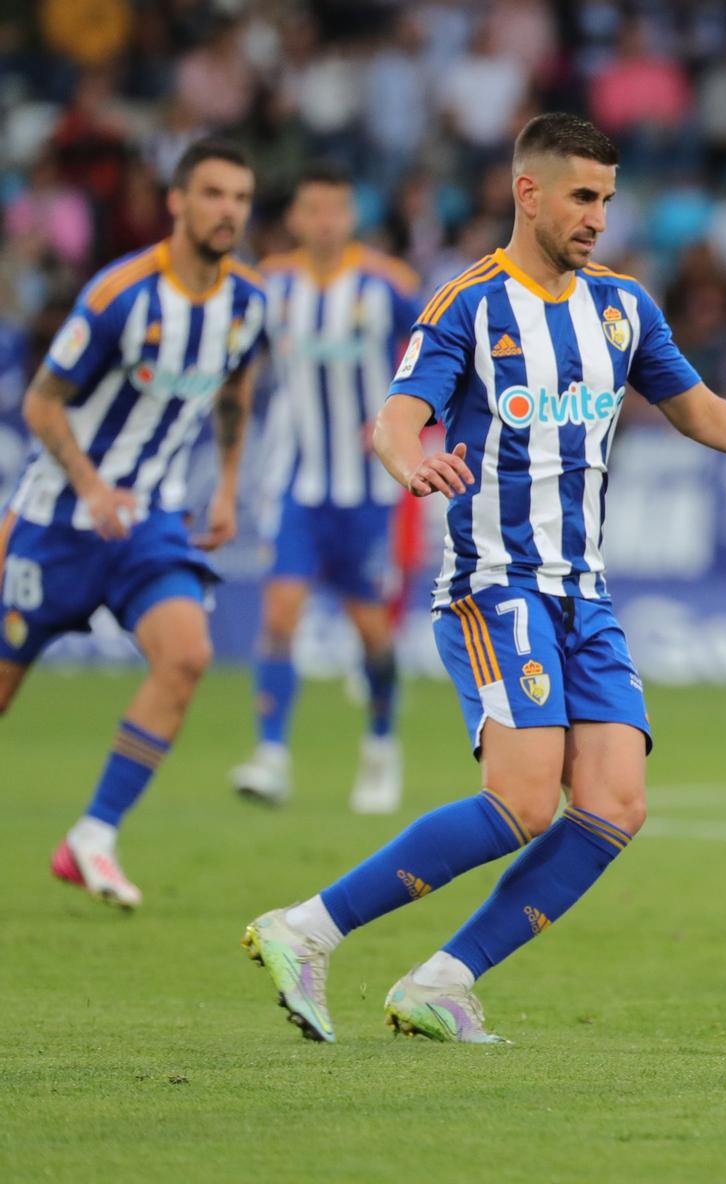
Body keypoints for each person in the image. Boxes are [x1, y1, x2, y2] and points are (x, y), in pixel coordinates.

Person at [242, 114, 726, 1045]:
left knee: (614, 805)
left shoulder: (625, 307)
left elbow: (702, 412)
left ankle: (442, 980)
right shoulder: (467, 303)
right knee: (523, 800)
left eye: (607, 195)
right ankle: (305, 928)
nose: (599, 215)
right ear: (529, 192)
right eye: (582, 196)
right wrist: (409, 462)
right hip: (493, 583)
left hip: (583, 594)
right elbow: (397, 418)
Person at [1, 138, 266, 909]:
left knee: (186, 654)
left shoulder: (247, 302)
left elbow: (235, 386)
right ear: (178, 203)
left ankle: (92, 837)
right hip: (58, 520)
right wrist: (90, 484)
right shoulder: (121, 295)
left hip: (149, 519)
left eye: (241, 199)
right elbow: (41, 403)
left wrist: (224, 488)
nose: (229, 212)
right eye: (214, 195)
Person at [231, 163, 422, 814]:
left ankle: (379, 746)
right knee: (279, 616)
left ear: (350, 215)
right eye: (312, 210)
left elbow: (436, 354)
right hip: (295, 482)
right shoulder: (268, 286)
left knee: (371, 632)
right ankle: (271, 755)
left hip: (367, 489)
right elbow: (238, 369)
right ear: (295, 218)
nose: (323, 222)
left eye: (335, 210)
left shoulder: (386, 284)